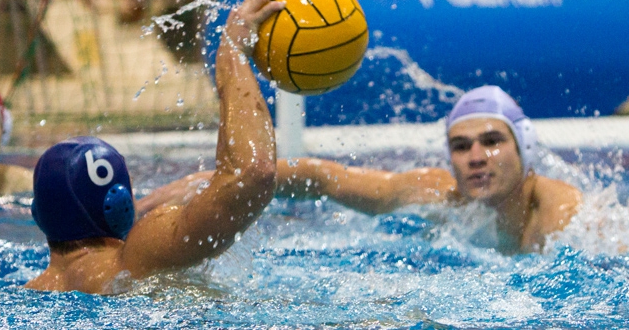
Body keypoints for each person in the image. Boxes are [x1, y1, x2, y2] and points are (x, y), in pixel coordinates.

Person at [24, 0, 287, 295]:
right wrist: (232, 53)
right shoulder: (138, 257)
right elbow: (253, 175)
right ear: (121, 203)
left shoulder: (32, 289)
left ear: (38, 214)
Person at [137, 86, 582, 254]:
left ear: (524, 147)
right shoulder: (441, 193)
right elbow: (324, 178)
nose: (477, 157)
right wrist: (211, 183)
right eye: (461, 146)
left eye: (493, 141)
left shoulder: (561, 214)